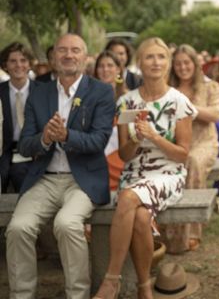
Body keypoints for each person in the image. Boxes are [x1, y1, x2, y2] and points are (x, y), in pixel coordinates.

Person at [5, 33, 115, 299]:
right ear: (53, 58)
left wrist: (66, 136)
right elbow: (27, 145)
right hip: (44, 178)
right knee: (18, 228)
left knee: (67, 224)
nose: (68, 55)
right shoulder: (38, 93)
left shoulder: (100, 91)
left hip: (82, 181)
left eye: (75, 50)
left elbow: (99, 141)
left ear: (85, 57)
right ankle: (22, 295)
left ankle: (77, 295)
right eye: (62, 50)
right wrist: (45, 137)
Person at [93, 37, 194, 299]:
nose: (156, 62)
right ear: (139, 63)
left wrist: (154, 136)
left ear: (168, 63)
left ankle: (111, 281)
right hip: (135, 173)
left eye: (161, 57)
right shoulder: (127, 102)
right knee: (138, 217)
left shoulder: (178, 101)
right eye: (149, 57)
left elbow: (183, 155)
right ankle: (144, 286)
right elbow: (126, 155)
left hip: (168, 174)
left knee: (127, 197)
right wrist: (138, 138)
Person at [163, 44, 219, 253]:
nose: (182, 67)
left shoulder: (210, 86)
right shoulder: (167, 88)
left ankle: (192, 232)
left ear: (195, 64)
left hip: (204, 142)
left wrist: (187, 107)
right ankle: (167, 230)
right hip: (176, 141)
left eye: (186, 62)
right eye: (178, 63)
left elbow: (215, 114)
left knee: (193, 161)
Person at [0, 42, 39, 193]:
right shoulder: (0, 91)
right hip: (5, 149)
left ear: (29, 64)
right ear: (5, 65)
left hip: (33, 150)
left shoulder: (42, 91)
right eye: (13, 61)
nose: (18, 65)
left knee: (22, 176)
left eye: (23, 61)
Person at [94, 50, 129, 191]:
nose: (105, 70)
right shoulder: (87, 98)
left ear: (119, 69)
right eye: (101, 66)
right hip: (97, 161)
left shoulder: (129, 98)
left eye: (110, 65)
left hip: (122, 160)